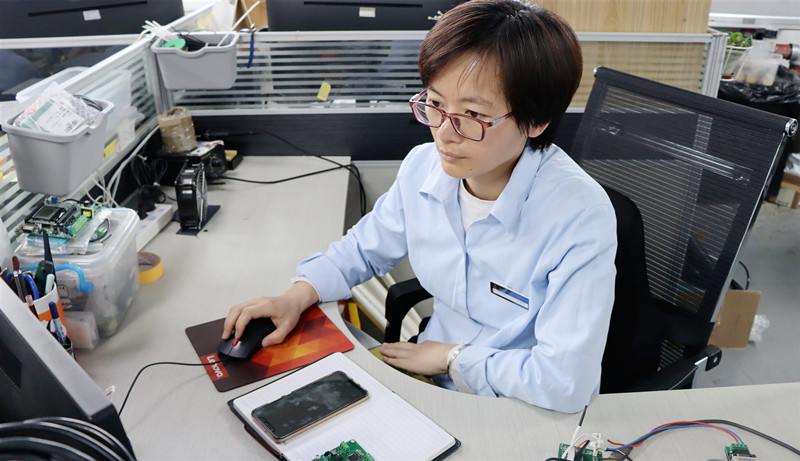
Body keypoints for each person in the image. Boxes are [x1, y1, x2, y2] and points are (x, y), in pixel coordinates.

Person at [223, 0, 617, 413]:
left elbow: (564, 383)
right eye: (436, 103)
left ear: (535, 121)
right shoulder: (423, 168)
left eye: (472, 114)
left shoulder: (579, 216)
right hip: (429, 378)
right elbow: (361, 250)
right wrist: (297, 296)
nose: (444, 133)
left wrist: (451, 358)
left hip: (519, 404)